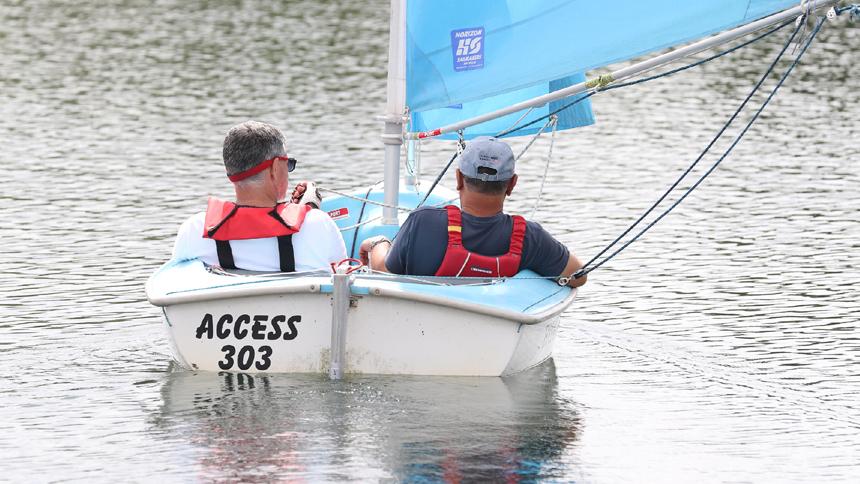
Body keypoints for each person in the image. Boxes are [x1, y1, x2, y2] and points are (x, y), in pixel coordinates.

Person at [359, 136, 586, 287]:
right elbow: (578, 276)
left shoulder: (422, 222)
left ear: (458, 178)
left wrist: (377, 243)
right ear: (512, 184)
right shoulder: (530, 237)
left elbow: (383, 271)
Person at [172, 120, 346, 271]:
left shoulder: (194, 230)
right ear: (275, 167)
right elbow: (343, 275)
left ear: (229, 170)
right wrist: (308, 211)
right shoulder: (319, 224)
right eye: (288, 164)